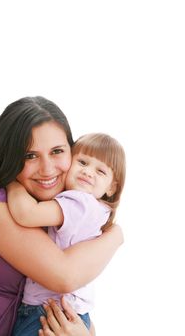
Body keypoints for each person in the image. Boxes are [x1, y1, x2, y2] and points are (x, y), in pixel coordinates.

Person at [0, 96, 124, 336]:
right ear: (9, 157)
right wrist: (115, 236)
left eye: (57, 151)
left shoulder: (52, 212)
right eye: (29, 156)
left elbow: (73, 305)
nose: (47, 169)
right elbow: (64, 277)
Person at [7, 132, 126, 336]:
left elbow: (26, 214)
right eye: (82, 162)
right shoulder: (98, 210)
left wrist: (12, 182)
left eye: (100, 171)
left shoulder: (80, 203)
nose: (88, 172)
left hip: (47, 310)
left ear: (112, 187)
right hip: (69, 310)